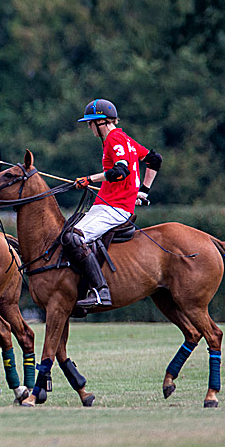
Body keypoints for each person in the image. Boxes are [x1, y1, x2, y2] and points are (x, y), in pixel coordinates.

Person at [69, 99, 162, 308]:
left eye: (90, 122)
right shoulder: (125, 140)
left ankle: (101, 291)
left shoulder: (114, 139)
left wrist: (89, 179)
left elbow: (121, 172)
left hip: (114, 208)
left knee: (74, 238)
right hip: (108, 204)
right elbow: (154, 160)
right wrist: (142, 192)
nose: (89, 127)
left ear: (101, 122)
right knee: (69, 232)